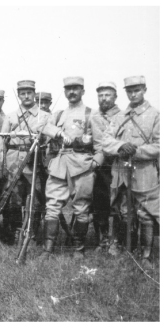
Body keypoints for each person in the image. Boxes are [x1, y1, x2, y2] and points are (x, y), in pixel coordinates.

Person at [39, 77, 103, 260]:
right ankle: (48, 249)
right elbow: (41, 126)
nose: (72, 92)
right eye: (68, 89)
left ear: (83, 91)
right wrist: (58, 132)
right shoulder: (58, 114)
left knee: (81, 208)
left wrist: (95, 163)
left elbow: (101, 145)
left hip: (82, 167)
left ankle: (79, 249)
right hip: (59, 165)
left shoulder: (91, 114)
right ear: (64, 91)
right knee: (51, 206)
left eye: (76, 89)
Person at [102, 76, 159, 269]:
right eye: (129, 90)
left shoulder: (155, 115)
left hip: (144, 170)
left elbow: (160, 145)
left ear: (144, 89)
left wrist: (136, 151)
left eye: (136, 90)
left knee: (145, 212)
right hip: (120, 170)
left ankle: (146, 254)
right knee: (123, 209)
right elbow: (105, 140)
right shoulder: (119, 116)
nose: (133, 94)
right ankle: (124, 247)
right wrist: (120, 146)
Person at [0, 80, 50, 245]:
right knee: (14, 197)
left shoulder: (45, 116)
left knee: (35, 197)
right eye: (22, 93)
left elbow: (50, 142)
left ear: (34, 94)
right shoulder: (11, 116)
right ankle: (16, 232)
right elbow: (2, 141)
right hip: (14, 158)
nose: (26, 96)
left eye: (29, 93)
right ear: (19, 95)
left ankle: (32, 233)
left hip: (34, 160)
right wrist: (2, 163)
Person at [90, 81, 122, 253]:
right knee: (99, 202)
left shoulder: (123, 116)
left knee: (117, 203)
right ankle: (101, 240)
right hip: (98, 166)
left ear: (115, 96)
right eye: (100, 95)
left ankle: (115, 241)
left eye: (107, 95)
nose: (103, 98)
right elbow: (88, 138)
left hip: (117, 164)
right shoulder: (93, 116)